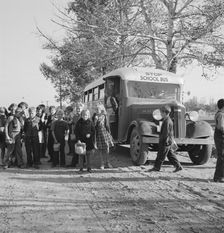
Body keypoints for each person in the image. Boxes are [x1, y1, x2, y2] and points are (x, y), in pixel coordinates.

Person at [147, 105, 183, 172]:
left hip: (165, 141)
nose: (160, 114)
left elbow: (165, 133)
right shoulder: (168, 120)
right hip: (168, 141)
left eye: (161, 113)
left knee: (160, 155)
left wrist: (162, 141)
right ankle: (178, 166)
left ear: (164, 113)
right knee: (170, 155)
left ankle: (156, 168)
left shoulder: (166, 121)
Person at [92, 103, 113, 170]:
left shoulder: (104, 116)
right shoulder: (94, 116)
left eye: (98, 109)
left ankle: (108, 162)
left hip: (105, 133)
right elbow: (93, 127)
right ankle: (102, 163)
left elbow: (107, 125)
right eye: (96, 109)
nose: (97, 110)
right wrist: (95, 120)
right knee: (100, 149)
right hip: (98, 134)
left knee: (107, 148)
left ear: (101, 109)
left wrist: (110, 133)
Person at [67, 102, 84, 168]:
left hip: (81, 135)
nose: (78, 110)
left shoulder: (83, 116)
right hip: (75, 134)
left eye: (79, 108)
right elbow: (72, 124)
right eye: (77, 108)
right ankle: (74, 163)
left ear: (82, 109)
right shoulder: (74, 116)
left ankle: (80, 163)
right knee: (75, 149)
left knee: (81, 149)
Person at [213, 99, 224, 183]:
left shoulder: (218, 113)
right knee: (221, 157)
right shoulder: (221, 115)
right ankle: (218, 177)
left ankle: (219, 176)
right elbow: (221, 127)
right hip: (221, 136)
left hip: (218, 136)